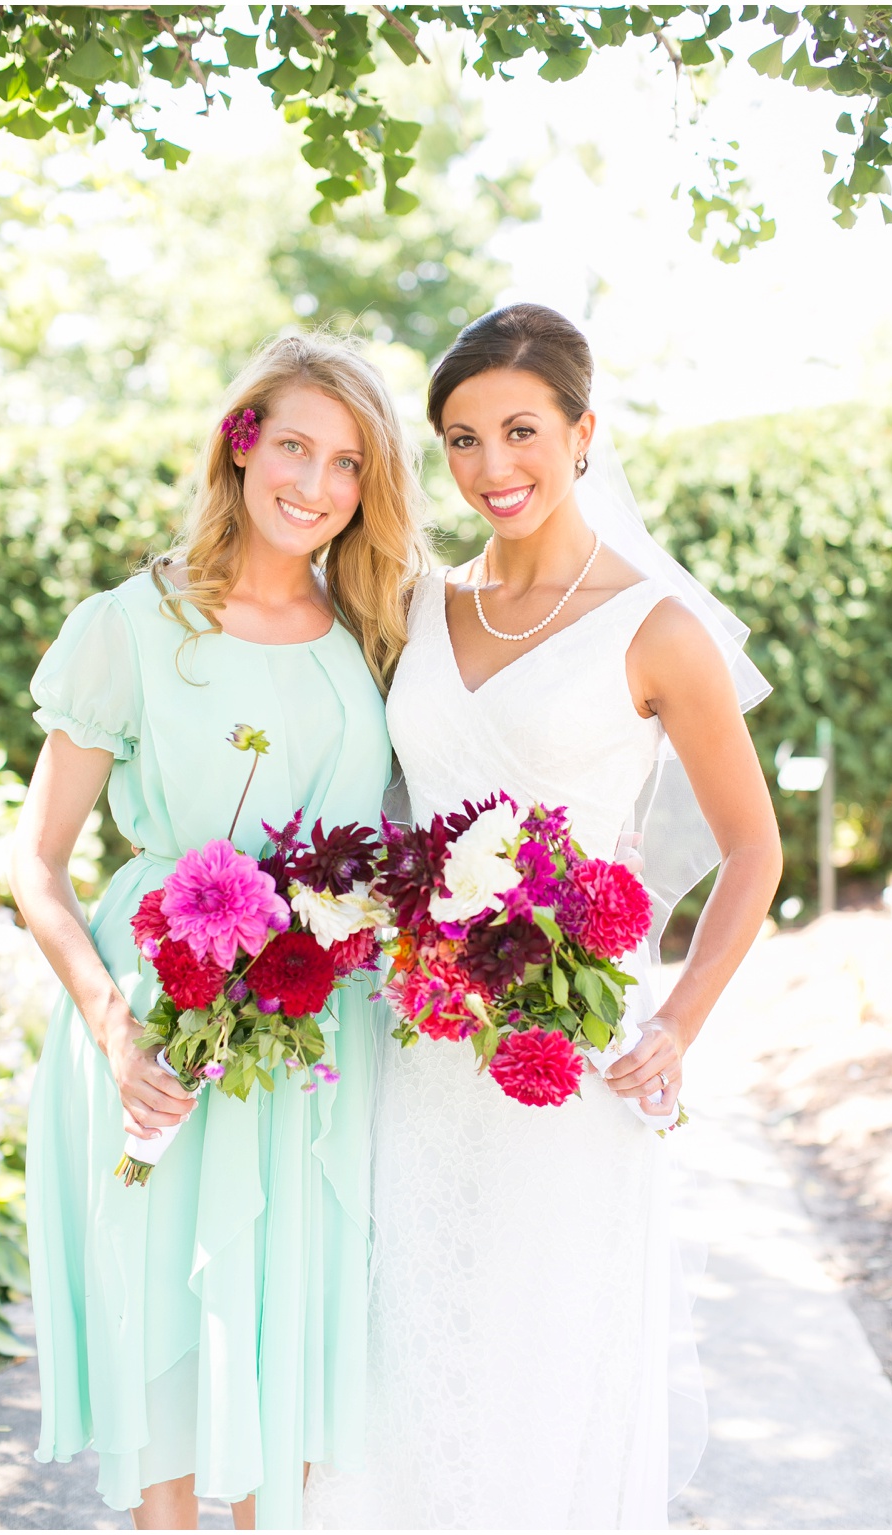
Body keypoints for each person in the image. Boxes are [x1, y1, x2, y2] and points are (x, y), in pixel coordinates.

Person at [306, 303, 782, 1528]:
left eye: (519, 430)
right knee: (405, 1334)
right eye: (460, 439)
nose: (491, 467)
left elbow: (750, 848)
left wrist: (675, 1022)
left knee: (539, 1353)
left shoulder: (655, 627)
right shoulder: (413, 604)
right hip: (412, 1043)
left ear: (582, 433)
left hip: (563, 1060)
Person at [9, 334, 430, 1528]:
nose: (314, 483)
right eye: (291, 443)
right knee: (172, 1353)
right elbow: (32, 861)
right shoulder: (131, 622)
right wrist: (116, 1033)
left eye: (347, 462)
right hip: (161, 1026)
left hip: (318, 1041)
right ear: (239, 441)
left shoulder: (379, 627)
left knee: (286, 1361)